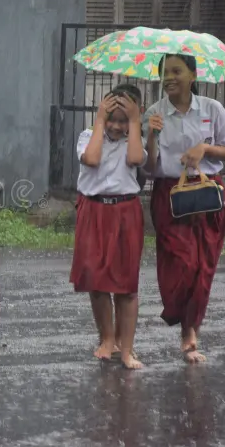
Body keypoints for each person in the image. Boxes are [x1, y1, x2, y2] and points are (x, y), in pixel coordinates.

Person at [143, 54, 225, 364]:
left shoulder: (212, 109)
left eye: (176, 71)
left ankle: (190, 330)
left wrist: (204, 148)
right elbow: (148, 167)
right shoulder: (154, 113)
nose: (169, 77)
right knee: (181, 263)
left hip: (209, 193)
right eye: (164, 72)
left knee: (204, 265)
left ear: (193, 75)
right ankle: (179, 313)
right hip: (170, 195)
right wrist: (152, 136)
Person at [70, 85, 146, 370]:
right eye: (111, 117)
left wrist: (136, 123)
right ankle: (107, 339)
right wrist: (100, 122)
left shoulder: (134, 141)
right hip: (93, 209)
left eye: (123, 119)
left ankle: (127, 349)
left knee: (126, 285)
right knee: (96, 279)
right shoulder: (89, 136)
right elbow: (91, 159)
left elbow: (137, 160)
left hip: (126, 212)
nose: (117, 125)